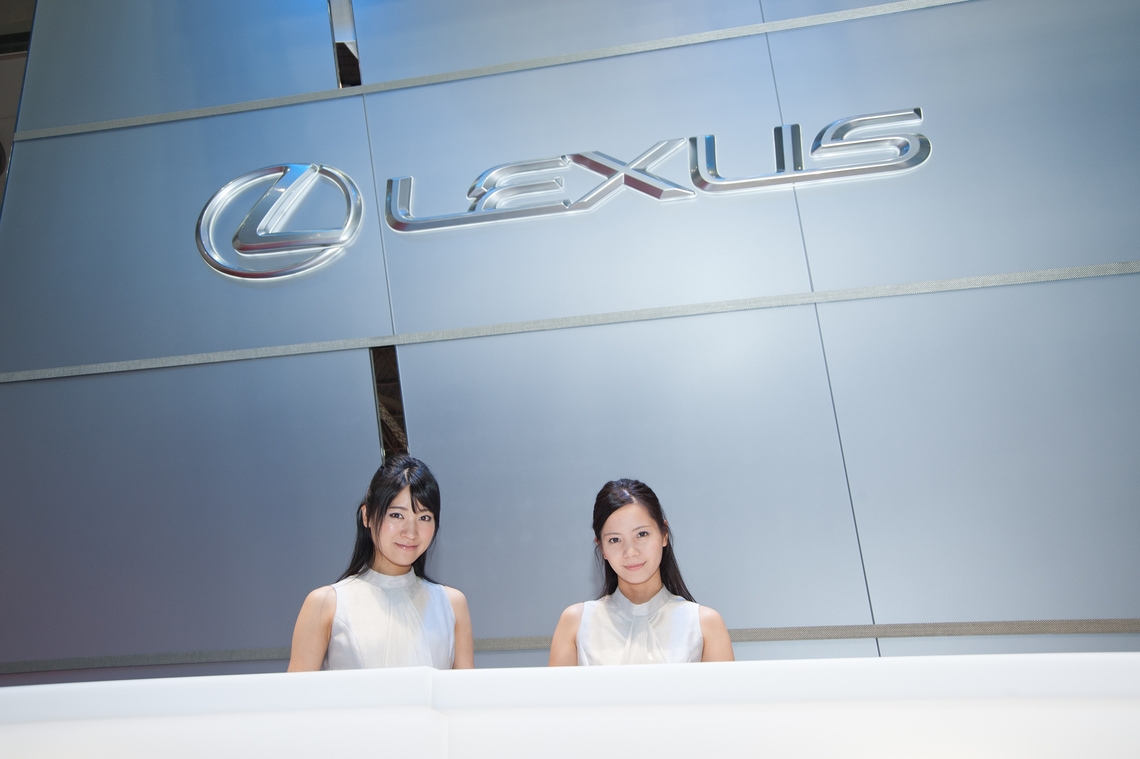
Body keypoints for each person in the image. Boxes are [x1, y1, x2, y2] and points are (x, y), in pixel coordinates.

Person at [288, 454, 474, 670]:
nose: (411, 532)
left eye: (424, 518)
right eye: (396, 515)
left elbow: (465, 691)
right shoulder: (326, 604)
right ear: (367, 515)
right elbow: (297, 692)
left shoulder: (451, 605)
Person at [549, 478, 734, 666]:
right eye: (615, 540)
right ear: (601, 547)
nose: (630, 552)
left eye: (642, 534)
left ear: (664, 534)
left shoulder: (704, 625)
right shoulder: (576, 623)